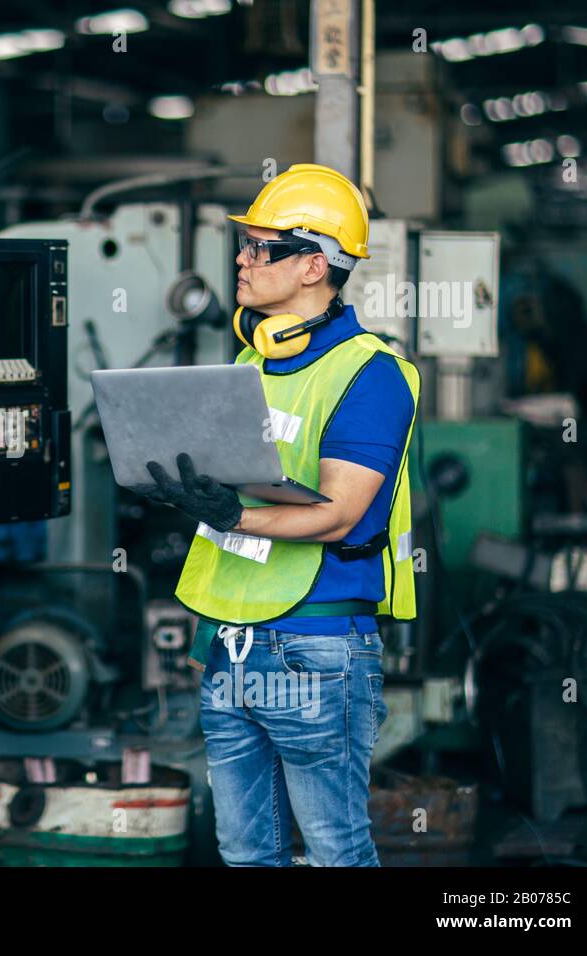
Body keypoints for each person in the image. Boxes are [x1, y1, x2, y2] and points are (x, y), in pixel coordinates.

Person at [143, 164, 419, 866]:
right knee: (245, 851)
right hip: (233, 646)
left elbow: (338, 513)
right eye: (246, 245)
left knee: (335, 851)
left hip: (317, 649)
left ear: (313, 266)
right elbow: (239, 493)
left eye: (260, 247)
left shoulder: (371, 373)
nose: (241, 258)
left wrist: (231, 516)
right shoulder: (253, 363)